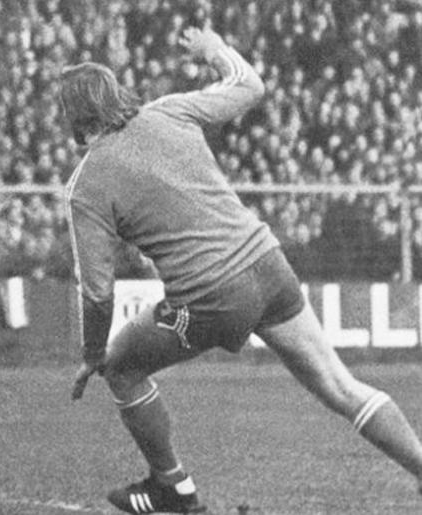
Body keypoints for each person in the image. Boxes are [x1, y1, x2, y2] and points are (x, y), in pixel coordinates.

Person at [63, 27, 422, 514]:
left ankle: (174, 488)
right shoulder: (169, 111)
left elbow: (97, 291)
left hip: (210, 296)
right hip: (267, 265)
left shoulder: (86, 185)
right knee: (341, 387)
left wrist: (91, 354)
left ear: (73, 118)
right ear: (116, 93)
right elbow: (251, 86)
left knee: (122, 365)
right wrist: (214, 51)